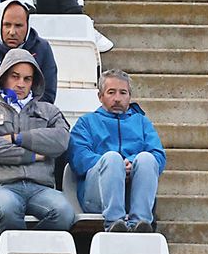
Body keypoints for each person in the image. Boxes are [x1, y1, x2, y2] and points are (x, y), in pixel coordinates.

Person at [0, 49, 76, 234]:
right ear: (3, 77)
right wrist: (33, 155)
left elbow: (60, 141)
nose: (20, 84)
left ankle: (31, 251)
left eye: (27, 79)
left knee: (64, 212)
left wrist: (16, 138)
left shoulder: (50, 111)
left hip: (40, 188)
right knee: (9, 208)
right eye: (15, 76)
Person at [70, 70, 166, 232]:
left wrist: (132, 163)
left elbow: (158, 156)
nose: (117, 98)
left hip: (133, 196)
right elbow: (79, 158)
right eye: (111, 92)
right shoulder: (87, 122)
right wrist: (115, 166)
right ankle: (114, 223)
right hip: (97, 196)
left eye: (123, 93)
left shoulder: (142, 122)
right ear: (100, 96)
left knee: (147, 159)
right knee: (112, 159)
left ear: (129, 96)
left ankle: (141, 222)